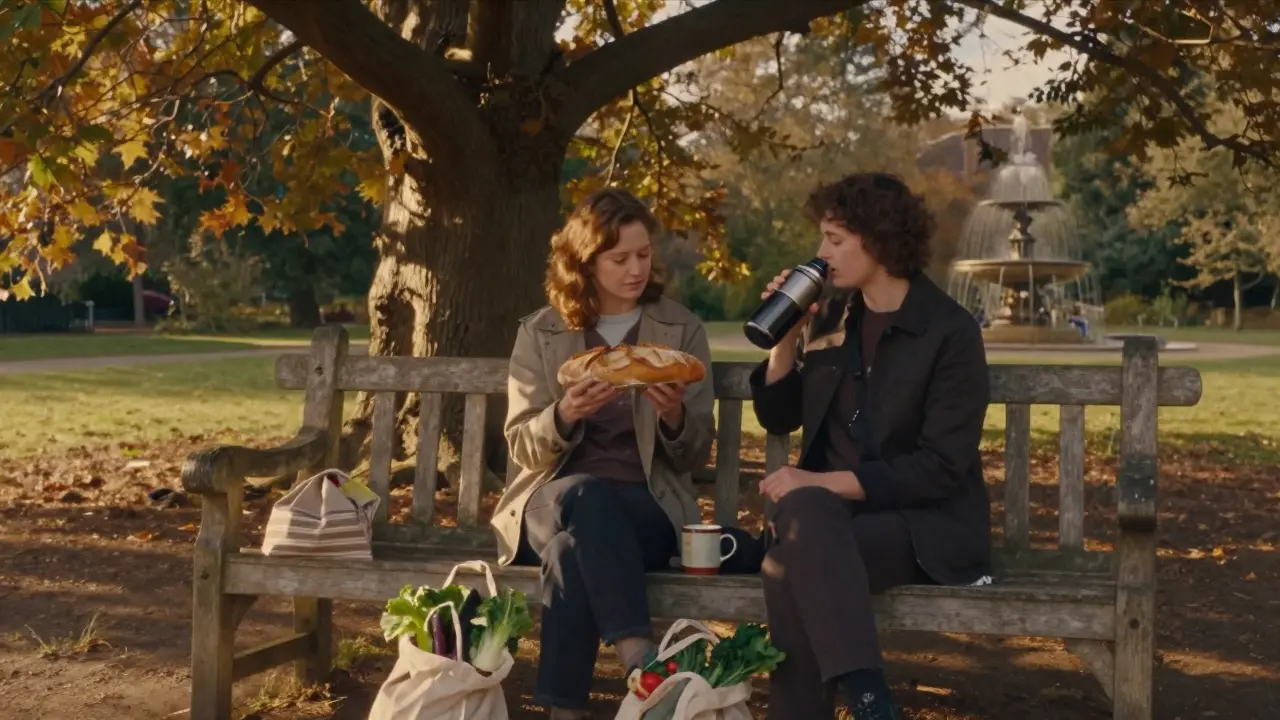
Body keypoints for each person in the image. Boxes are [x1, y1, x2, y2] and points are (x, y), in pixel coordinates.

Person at [750, 172, 993, 720]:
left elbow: (940, 468)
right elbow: (777, 415)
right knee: (799, 537)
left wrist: (818, 483)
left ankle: (847, 697)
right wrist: (785, 340)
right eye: (823, 239)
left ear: (878, 241)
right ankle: (867, 697)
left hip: (922, 526)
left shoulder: (948, 332)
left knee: (788, 561)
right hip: (823, 522)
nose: (821, 254)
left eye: (835, 240)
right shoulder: (833, 318)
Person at [491, 187, 716, 719]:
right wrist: (566, 414)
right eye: (619, 258)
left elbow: (693, 458)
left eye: (643, 254)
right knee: (584, 499)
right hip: (552, 501)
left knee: (571, 552)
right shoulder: (542, 332)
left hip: (647, 510)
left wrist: (674, 417)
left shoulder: (680, 332)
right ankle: (640, 656)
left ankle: (564, 711)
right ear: (585, 263)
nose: (636, 269)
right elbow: (521, 444)